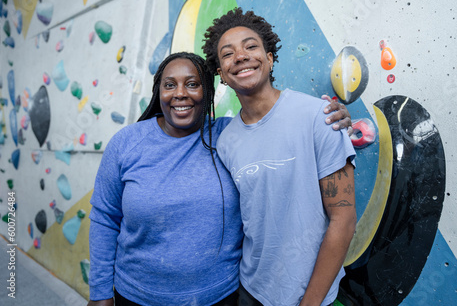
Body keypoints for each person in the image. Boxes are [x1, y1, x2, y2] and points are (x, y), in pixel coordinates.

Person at [88, 52, 352, 306]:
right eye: (170, 85)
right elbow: (104, 218)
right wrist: (100, 294)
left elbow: (277, 127)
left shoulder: (231, 137)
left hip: (221, 297)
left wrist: (328, 118)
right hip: (137, 297)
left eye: (192, 84)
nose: (180, 93)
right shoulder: (126, 143)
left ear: (209, 93)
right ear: (159, 92)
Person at [202, 8, 357, 306]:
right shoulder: (225, 142)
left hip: (312, 296)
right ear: (221, 74)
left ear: (269, 58)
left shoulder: (320, 116)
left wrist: (309, 303)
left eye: (251, 46)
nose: (241, 56)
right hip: (250, 289)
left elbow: (344, 221)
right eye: (228, 53)